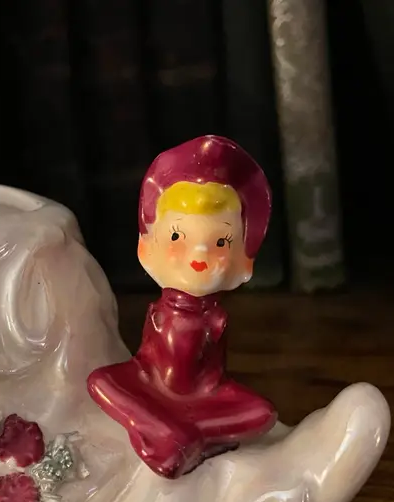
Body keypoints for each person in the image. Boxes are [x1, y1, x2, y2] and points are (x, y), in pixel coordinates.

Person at [87, 135, 278, 478]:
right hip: (149, 387)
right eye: (177, 237)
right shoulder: (161, 311)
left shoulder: (216, 319)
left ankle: (177, 437)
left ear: (243, 261)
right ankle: (179, 434)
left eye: (221, 242)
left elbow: (215, 378)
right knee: (100, 381)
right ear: (148, 248)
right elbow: (146, 363)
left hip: (201, 403)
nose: (199, 254)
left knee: (263, 413)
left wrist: (209, 394)